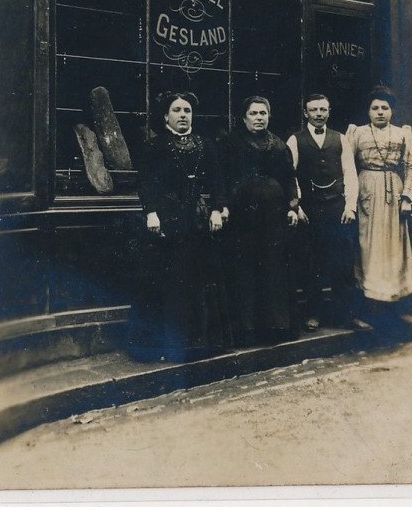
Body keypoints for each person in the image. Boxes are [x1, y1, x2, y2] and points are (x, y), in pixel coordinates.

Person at [128, 91, 232, 362]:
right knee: (169, 281)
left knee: (198, 280)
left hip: (197, 221)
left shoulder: (205, 145)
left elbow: (218, 181)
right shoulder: (155, 145)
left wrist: (218, 209)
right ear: (166, 117)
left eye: (187, 110)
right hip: (166, 219)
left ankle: (199, 344)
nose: (183, 115)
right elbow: (146, 182)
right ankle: (165, 345)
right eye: (177, 110)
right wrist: (150, 212)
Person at [219, 96, 299, 346]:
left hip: (273, 217)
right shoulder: (231, 143)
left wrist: (292, 207)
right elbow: (220, 177)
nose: (258, 118)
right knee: (245, 270)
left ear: (269, 116)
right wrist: (222, 207)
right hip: (242, 218)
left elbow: (289, 179)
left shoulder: (278, 145)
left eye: (263, 113)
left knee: (273, 270)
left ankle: (275, 327)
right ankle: (247, 330)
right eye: (253, 114)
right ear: (244, 118)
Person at [286, 93, 362, 331]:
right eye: (313, 110)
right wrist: (296, 206)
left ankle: (346, 315)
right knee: (311, 263)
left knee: (343, 263)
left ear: (329, 111)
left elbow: (350, 174)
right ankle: (313, 314)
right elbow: (290, 176)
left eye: (323, 109)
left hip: (337, 210)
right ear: (305, 113)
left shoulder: (340, 139)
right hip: (309, 212)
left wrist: (350, 206)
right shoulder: (295, 140)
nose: (319, 114)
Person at [346, 86, 412, 331]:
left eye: (384, 108)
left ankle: (391, 309)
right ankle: (369, 309)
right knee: (368, 248)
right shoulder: (357, 133)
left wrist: (407, 197)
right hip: (367, 193)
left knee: (393, 249)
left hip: (395, 195)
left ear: (392, 111)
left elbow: (411, 166)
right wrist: (352, 200)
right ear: (368, 111)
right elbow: (348, 167)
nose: (380, 112)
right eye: (375, 108)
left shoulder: (402, 133)